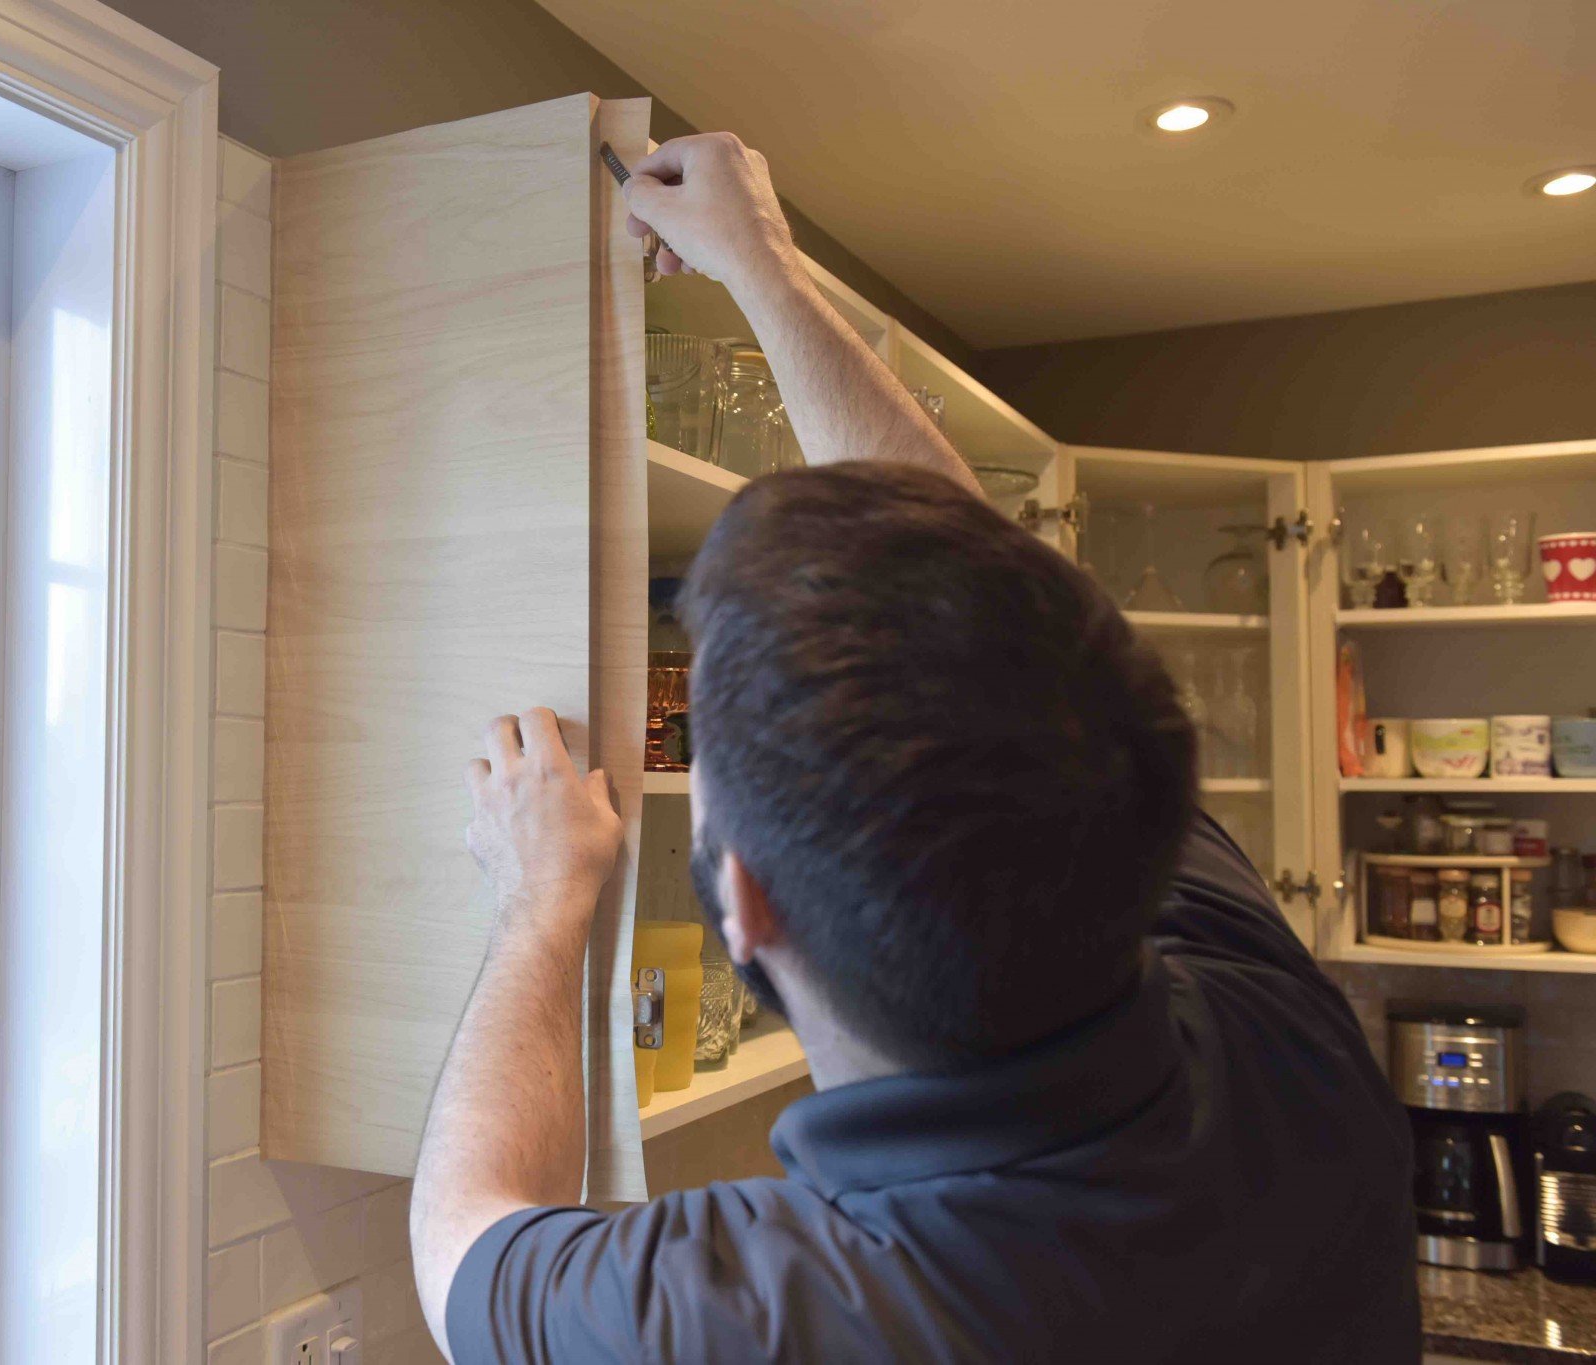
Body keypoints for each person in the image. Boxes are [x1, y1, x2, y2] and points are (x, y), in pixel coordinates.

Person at [408, 132, 1419, 1363]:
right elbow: (999, 631)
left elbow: (463, 1241)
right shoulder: (1279, 1041)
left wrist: (538, 899)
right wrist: (764, 270)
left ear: (746, 903)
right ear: (1134, 820)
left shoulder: (780, 1314)